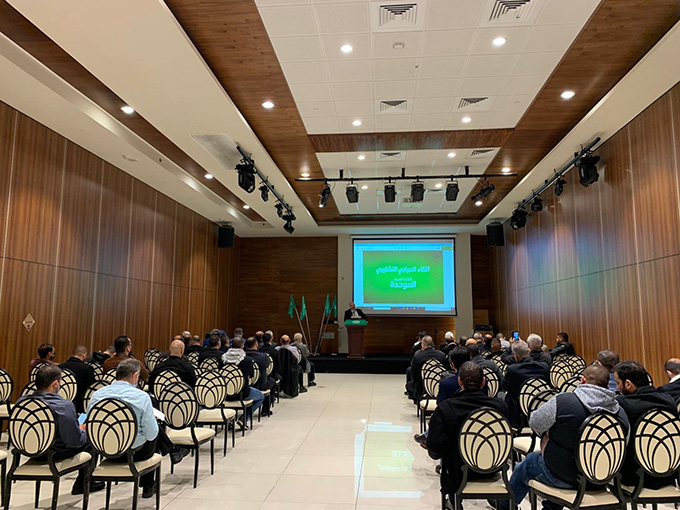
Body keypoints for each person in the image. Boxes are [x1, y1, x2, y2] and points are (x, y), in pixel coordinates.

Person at [497, 364, 629, 510]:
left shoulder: (563, 401)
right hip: (601, 479)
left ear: (582, 380)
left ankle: (505, 506)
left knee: (528, 464)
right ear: (607, 385)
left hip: (562, 476)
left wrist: (550, 434)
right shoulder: (620, 412)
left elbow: (534, 423)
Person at [89, 359, 181, 499]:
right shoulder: (142, 397)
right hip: (135, 454)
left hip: (106, 452)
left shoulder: (97, 395)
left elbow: (90, 423)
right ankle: (148, 485)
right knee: (153, 432)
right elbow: (151, 435)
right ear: (135, 376)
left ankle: (173, 451)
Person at [16, 365, 105, 495]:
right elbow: (74, 441)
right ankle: (83, 484)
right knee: (90, 438)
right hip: (54, 453)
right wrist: (82, 430)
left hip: (29, 450)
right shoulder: (64, 406)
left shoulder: (22, 402)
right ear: (55, 383)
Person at [427, 362, 509, 499]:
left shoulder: (447, 408)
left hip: (457, 473)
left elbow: (435, 449)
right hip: (493, 469)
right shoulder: (500, 407)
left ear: (460, 381)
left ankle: (453, 501)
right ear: (483, 382)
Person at [615, 361, 678, 489]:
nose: (617, 387)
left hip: (634, 477)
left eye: (618, 383)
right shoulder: (669, 401)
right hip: (668, 473)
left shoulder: (623, 404)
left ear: (628, 384)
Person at [502, 340, 550, 429]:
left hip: (518, 408)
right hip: (540, 403)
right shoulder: (545, 367)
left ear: (515, 356)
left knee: (509, 395)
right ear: (529, 351)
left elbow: (505, 386)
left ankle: (513, 427)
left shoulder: (512, 369)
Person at [223, 337, 265, 425]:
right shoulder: (247, 360)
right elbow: (252, 375)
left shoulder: (222, 360)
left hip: (224, 393)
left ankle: (229, 419)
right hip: (242, 393)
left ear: (231, 345)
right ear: (242, 346)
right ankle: (244, 418)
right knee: (261, 396)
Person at [407, 335, 448, 401]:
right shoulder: (442, 355)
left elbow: (413, 373)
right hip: (438, 384)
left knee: (409, 384)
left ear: (423, 344)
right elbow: (446, 370)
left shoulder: (418, 356)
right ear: (432, 344)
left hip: (421, 386)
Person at [59, 346, 96, 413]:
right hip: (80, 406)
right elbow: (91, 388)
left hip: (61, 404)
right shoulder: (87, 369)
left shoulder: (60, 367)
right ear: (84, 355)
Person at [245, 337, 276, 414]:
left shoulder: (243, 357)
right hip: (260, 384)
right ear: (256, 344)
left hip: (246, 384)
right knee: (273, 382)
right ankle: (265, 410)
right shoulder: (263, 356)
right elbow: (268, 366)